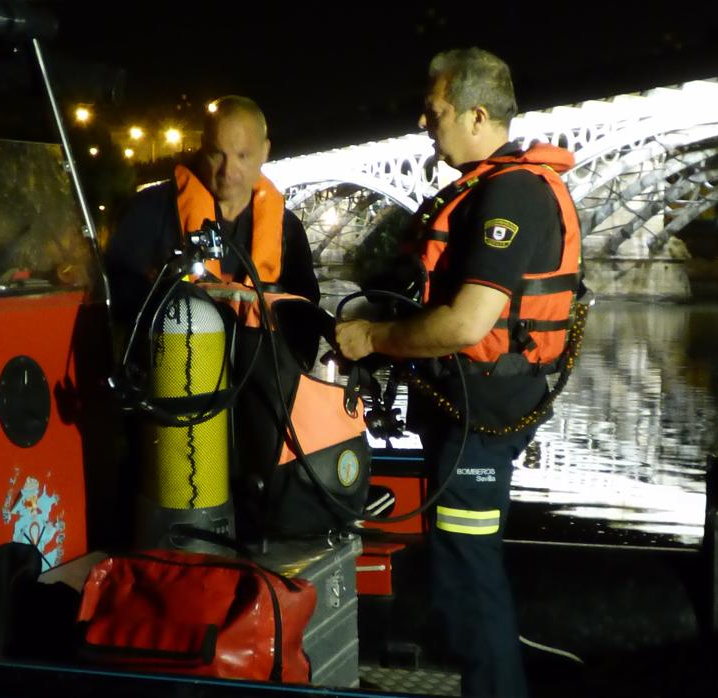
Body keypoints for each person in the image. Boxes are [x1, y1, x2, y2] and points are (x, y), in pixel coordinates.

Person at [335, 48, 582, 698]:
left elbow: (470, 323)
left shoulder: (511, 193)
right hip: (471, 414)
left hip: (481, 422)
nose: (423, 120)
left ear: (477, 114)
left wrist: (373, 337)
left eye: (435, 109)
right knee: (460, 570)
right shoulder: (489, 187)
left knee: (469, 578)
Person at [106, 95, 319, 324]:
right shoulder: (148, 211)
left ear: (265, 151)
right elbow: (117, 298)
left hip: (258, 358)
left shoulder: (288, 230)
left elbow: (305, 314)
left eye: (242, 156)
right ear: (202, 148)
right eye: (217, 154)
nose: (228, 171)